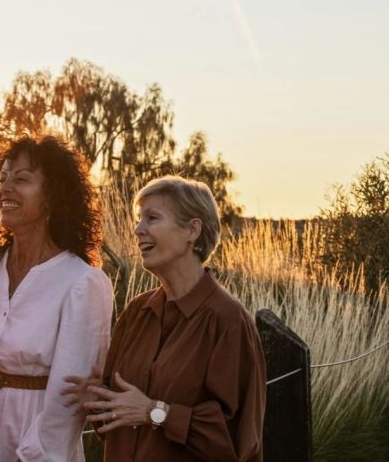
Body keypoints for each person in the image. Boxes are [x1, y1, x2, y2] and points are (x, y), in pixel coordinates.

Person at [0, 134, 114, 462]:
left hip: (39, 453)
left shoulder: (83, 283)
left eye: (22, 179)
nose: (5, 189)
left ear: (54, 196)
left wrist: (33, 456)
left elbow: (67, 400)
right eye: (2, 179)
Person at [64, 176, 266, 462]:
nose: (138, 229)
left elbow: (238, 441)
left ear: (192, 230)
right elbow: (113, 425)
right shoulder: (136, 313)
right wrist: (98, 399)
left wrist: (154, 412)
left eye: (152, 218)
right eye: (139, 219)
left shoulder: (229, 321)